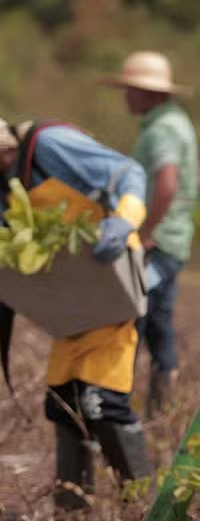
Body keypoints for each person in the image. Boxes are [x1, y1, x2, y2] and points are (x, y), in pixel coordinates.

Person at [0, 101, 152, 510]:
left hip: (110, 292)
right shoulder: (5, 197)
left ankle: (147, 517)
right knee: (62, 407)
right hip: (73, 310)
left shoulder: (49, 145)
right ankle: (73, 517)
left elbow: (130, 174)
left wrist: (123, 221)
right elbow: (25, 274)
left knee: (100, 404)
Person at [101, 52, 198, 417]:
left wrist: (145, 232)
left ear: (148, 93)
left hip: (159, 241)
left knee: (130, 318)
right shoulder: (173, 122)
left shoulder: (162, 130)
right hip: (174, 238)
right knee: (159, 322)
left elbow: (167, 182)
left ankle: (119, 410)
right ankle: (162, 411)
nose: (126, 96)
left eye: (131, 89)